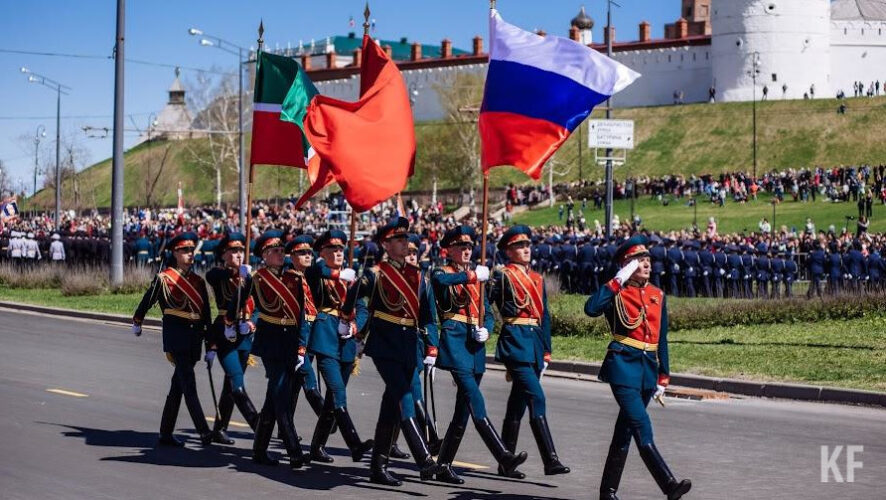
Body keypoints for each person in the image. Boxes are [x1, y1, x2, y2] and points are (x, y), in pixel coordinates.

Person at [585, 235, 691, 500]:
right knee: (641, 424)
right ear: (626, 265)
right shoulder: (616, 290)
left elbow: (661, 338)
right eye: (638, 260)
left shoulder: (657, 294)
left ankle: (607, 492)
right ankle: (669, 485)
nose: (646, 264)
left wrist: (664, 375)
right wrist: (617, 279)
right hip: (622, 367)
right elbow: (590, 308)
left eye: (647, 259)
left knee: (625, 431)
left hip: (647, 370)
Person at [343, 217, 441, 486]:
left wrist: (431, 347)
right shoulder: (375, 274)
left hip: (409, 344)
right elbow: (353, 301)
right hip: (385, 344)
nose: (404, 242)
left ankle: (378, 467)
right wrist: (350, 294)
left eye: (405, 238)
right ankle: (424, 459)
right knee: (403, 395)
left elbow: (427, 316)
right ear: (385, 244)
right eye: (397, 239)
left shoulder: (418, 276)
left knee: (390, 408)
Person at [431, 226, 528, 484]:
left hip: (474, 347)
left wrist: (487, 328)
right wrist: (473, 276)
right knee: (476, 400)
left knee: (462, 412)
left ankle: (443, 466)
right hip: (454, 343)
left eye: (469, 247)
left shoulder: (477, 277)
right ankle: (503, 455)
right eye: (460, 247)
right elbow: (440, 283)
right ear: (448, 250)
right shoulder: (444, 272)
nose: (466, 250)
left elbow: (485, 309)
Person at [490, 225, 570, 478]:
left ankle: (506, 462)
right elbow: (482, 302)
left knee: (518, 403)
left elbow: (543, 316)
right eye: (519, 246)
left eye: (527, 245)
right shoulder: (502, 276)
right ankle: (551, 459)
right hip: (515, 342)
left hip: (534, 344)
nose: (526, 250)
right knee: (537, 397)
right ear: (508, 251)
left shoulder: (536, 278)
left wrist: (546, 350)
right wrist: (483, 325)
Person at [227, 230, 309, 470]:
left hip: (291, 340)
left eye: (282, 250)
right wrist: (230, 321)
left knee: (273, 399)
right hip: (271, 341)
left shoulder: (294, 277)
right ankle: (294, 451)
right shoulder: (258, 278)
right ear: (264, 255)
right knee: (281, 394)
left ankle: (259, 449)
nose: (280, 254)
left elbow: (303, 313)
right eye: (275, 250)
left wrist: (302, 345)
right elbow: (238, 302)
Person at [132, 232, 214, 447]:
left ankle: (165, 432)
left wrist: (211, 343)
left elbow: (206, 315)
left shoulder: (198, 281)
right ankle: (204, 431)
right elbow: (147, 300)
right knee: (189, 383)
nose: (190, 254)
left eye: (191, 250)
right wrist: (138, 320)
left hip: (195, 337)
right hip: (176, 336)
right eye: (185, 251)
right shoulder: (164, 278)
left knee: (178, 385)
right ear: (175, 253)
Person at [303, 230, 373, 464]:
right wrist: (339, 275)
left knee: (332, 400)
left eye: (341, 249)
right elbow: (314, 271)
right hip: (324, 338)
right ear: (322, 252)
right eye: (332, 249)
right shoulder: (318, 273)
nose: (338, 253)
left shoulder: (350, 279)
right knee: (338, 391)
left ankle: (316, 447)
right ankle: (355, 445)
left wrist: (354, 327)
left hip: (346, 343)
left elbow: (363, 309)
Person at [204, 233, 259, 445]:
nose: (237, 254)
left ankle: (219, 429)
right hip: (226, 334)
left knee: (230, 385)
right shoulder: (218, 275)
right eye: (232, 251)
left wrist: (253, 322)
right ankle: (258, 425)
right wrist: (239, 276)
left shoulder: (251, 277)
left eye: (240, 250)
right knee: (237, 383)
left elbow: (260, 306)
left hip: (245, 334)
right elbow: (213, 278)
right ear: (224, 254)